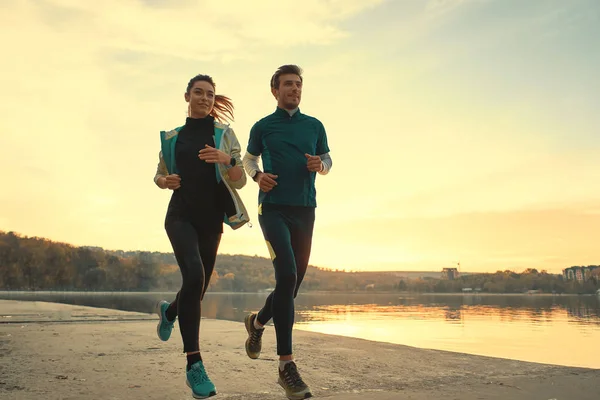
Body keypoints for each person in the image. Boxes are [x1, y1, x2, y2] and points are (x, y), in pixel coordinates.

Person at [153, 74, 249, 399]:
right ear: (187, 96)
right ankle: (194, 365)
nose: (205, 98)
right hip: (179, 216)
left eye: (210, 94)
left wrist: (228, 159)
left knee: (199, 287)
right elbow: (159, 174)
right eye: (199, 92)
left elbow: (239, 179)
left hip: (211, 221)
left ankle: (169, 312)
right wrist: (165, 182)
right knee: (193, 275)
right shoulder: (173, 137)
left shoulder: (224, 135)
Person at [242, 65, 332, 400]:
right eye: (288, 84)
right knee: (287, 274)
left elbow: (328, 159)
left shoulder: (314, 125)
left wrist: (320, 166)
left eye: (298, 84)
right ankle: (286, 366)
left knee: (290, 285)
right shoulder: (263, 126)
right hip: (273, 208)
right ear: (275, 90)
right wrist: (257, 176)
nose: (295, 89)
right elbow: (249, 161)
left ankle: (258, 323)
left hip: (305, 209)